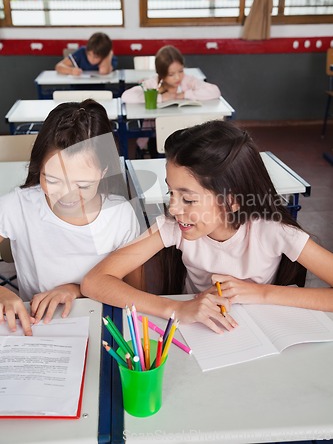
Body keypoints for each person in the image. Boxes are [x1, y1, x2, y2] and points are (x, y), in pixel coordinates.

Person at [81, 120, 333, 333]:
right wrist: (177, 308)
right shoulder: (173, 227)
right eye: (171, 192)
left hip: (260, 331)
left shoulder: (272, 231)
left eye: (188, 199)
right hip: (194, 333)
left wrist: (262, 293)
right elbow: (95, 281)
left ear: (232, 201)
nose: (173, 208)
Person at [0, 99, 140, 336]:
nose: (66, 195)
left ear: (103, 171)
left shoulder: (120, 215)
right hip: (36, 327)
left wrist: (77, 290)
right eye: (52, 180)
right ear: (38, 167)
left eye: (83, 184)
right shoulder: (17, 205)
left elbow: (135, 292)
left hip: (106, 328)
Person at [122, 45, 221, 158]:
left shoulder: (188, 81)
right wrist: (161, 98)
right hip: (156, 134)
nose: (177, 77)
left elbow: (215, 91)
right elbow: (126, 96)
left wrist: (183, 95)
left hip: (186, 133)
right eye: (171, 74)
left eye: (181, 71)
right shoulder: (153, 83)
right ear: (161, 74)